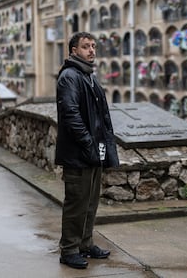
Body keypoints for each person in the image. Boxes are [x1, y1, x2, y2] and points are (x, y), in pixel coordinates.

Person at [55, 32, 119, 269]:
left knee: (91, 201)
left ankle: (85, 243)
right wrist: (88, 142)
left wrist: (100, 145)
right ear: (73, 50)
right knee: (76, 202)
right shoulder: (70, 77)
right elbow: (70, 114)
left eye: (93, 46)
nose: (91, 50)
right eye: (85, 47)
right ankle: (69, 249)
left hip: (93, 151)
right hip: (78, 152)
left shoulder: (88, 76)